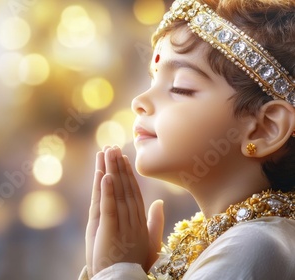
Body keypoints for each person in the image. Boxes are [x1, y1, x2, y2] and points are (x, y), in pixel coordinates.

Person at [78, 0, 295, 279]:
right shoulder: (224, 238)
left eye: (180, 88)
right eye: (153, 81)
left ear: (265, 128)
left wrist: (115, 270)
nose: (139, 101)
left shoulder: (256, 244)